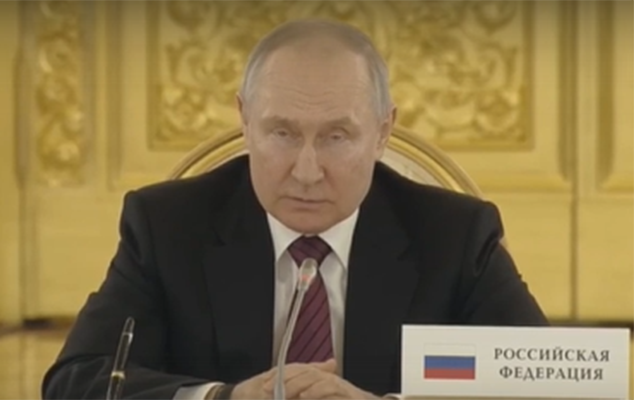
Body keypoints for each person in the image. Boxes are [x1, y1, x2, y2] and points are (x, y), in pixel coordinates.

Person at [41, 18, 548, 400]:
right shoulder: (168, 227)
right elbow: (77, 380)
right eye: (282, 133)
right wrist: (223, 398)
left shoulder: (455, 235)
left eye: (336, 137)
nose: (306, 172)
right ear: (245, 121)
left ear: (382, 133)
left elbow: (545, 384)